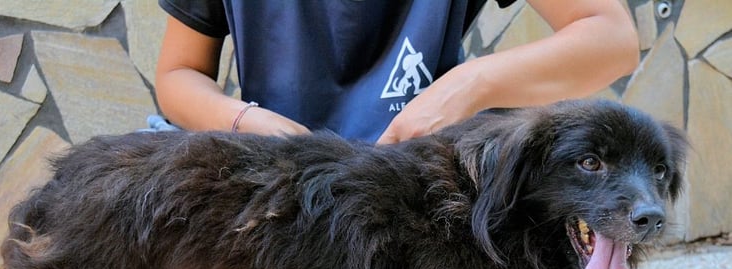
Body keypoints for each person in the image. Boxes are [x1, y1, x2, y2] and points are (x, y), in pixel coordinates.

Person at [154, 0, 639, 144]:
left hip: (413, 177)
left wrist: (467, 85)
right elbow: (178, 74)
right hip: (271, 168)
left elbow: (613, 38)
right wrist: (244, 122)